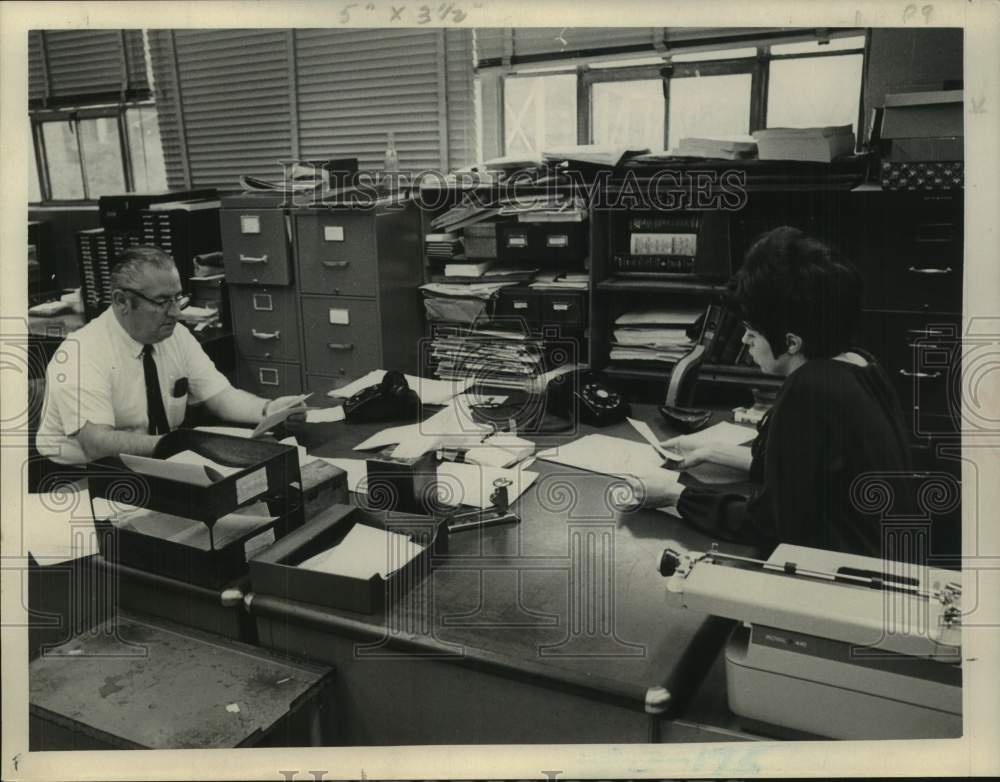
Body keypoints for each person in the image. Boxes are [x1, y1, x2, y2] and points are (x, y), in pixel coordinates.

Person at [626, 226, 914, 558]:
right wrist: (711, 451)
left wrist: (673, 495)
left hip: (843, 580)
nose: (745, 342)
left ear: (791, 342)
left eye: (751, 331)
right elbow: (806, 473)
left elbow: (766, 524)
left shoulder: (810, 388)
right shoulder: (860, 365)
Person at [36, 246, 305, 465]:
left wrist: (269, 409)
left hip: (155, 460)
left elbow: (221, 397)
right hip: (85, 476)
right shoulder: (81, 353)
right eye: (162, 301)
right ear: (121, 301)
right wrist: (181, 446)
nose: (176, 312)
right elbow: (97, 443)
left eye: (178, 298)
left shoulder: (175, 336)